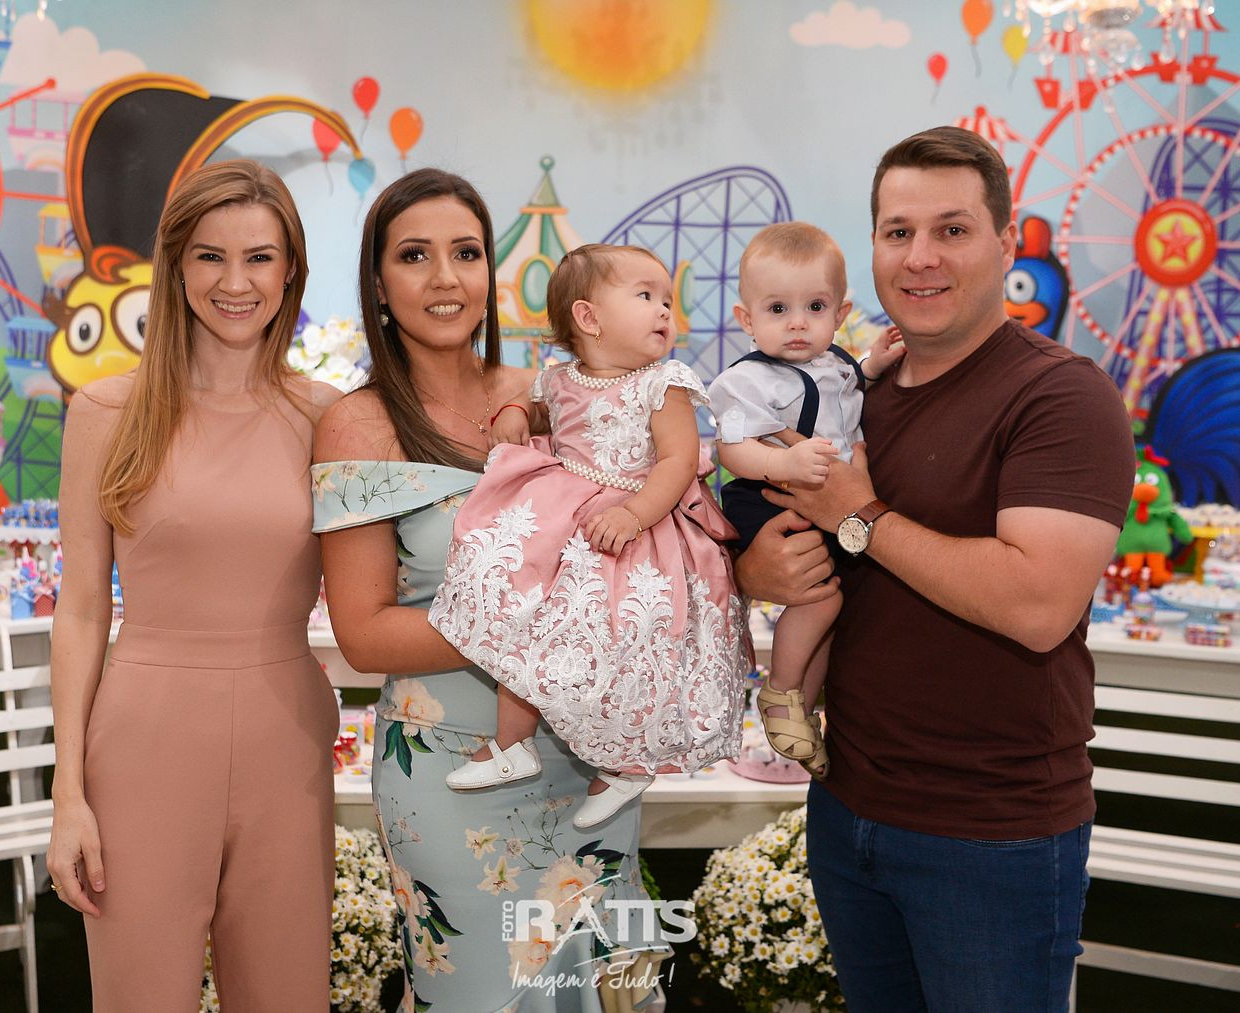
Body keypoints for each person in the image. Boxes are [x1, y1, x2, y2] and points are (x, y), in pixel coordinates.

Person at [759, 126, 1134, 1011]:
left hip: (992, 837)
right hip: (847, 809)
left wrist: (860, 515)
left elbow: (1037, 604)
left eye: (952, 230)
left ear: (1005, 242)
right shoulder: (851, 398)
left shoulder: (1061, 395)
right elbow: (786, 536)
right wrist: (758, 568)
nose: (920, 257)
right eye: (899, 232)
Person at [314, 173, 670, 1011]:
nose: (445, 277)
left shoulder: (552, 398)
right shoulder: (359, 425)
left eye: (466, 253)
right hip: (450, 776)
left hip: (586, 764)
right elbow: (363, 634)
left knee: (604, 991)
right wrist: (544, 620)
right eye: (414, 256)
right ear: (377, 284)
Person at [46, 159, 341, 1011]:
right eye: (211, 256)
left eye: (259, 257)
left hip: (289, 741)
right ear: (175, 266)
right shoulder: (106, 412)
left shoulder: (329, 417)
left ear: (290, 271)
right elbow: (80, 610)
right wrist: (68, 790)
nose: (235, 282)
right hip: (142, 744)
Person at [428, 242, 749, 828]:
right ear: (589, 318)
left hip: (639, 527)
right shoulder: (558, 379)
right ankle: (513, 744)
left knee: (631, 638)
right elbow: (544, 414)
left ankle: (625, 764)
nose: (665, 310)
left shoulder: (664, 384)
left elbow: (679, 460)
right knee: (526, 619)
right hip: (569, 517)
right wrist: (518, 415)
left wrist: (635, 513)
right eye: (646, 295)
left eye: (668, 300)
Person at [708, 222, 902, 779]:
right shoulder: (749, 381)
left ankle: (799, 711)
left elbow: (845, 397)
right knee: (819, 599)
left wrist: (872, 367)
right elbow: (732, 448)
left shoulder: (835, 363)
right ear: (747, 319)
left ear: (840, 313)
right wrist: (782, 464)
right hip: (766, 496)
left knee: (831, 605)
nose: (797, 323)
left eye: (814, 307)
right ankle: (781, 692)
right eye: (777, 309)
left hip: (824, 500)